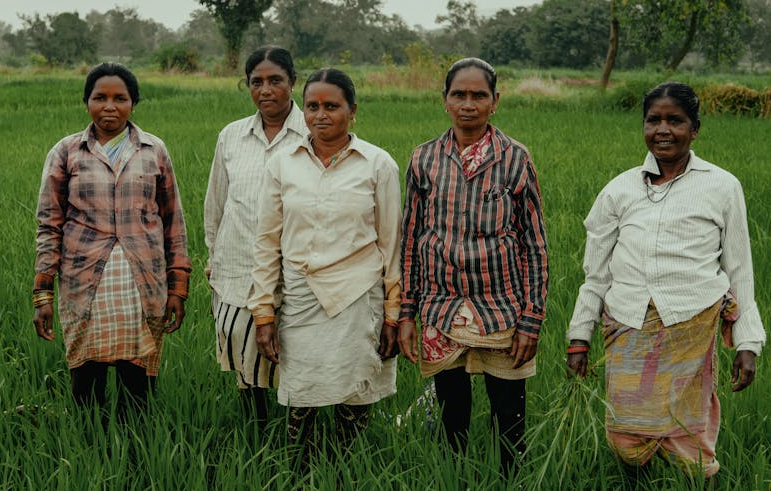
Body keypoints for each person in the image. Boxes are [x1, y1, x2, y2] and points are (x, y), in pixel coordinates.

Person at [566, 82, 765, 481]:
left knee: (688, 437)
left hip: (690, 327)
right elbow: (597, 275)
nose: (663, 130)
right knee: (625, 434)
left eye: (675, 120)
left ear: (695, 129)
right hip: (627, 325)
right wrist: (579, 337)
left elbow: (740, 271)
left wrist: (748, 343)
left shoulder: (722, 186)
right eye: (653, 120)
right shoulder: (619, 190)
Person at [398, 57, 549, 473]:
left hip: (501, 309)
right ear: (444, 100)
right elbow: (411, 240)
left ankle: (510, 480)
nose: (468, 104)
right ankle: (455, 477)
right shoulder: (424, 159)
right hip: (441, 308)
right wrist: (407, 313)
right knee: (452, 416)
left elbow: (534, 243)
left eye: (479, 95)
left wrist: (532, 319)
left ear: (494, 101)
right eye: (459, 95)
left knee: (510, 419)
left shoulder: (515, 158)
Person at [247, 68, 401, 461]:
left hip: (358, 298)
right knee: (301, 398)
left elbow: (391, 245)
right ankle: (303, 473)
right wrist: (263, 313)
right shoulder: (283, 164)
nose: (320, 115)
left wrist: (393, 315)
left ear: (353, 110)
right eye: (312, 106)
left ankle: (348, 467)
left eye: (331, 106)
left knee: (355, 396)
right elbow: (266, 243)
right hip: (300, 299)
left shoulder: (377, 164)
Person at [33, 62, 191, 422]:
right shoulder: (67, 152)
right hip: (84, 283)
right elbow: (49, 224)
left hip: (143, 284)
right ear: (86, 102)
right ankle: (90, 446)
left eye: (120, 98)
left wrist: (178, 287)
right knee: (86, 383)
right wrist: (43, 292)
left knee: (138, 385)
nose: (110, 106)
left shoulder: (154, 150)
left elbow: (174, 222)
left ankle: (135, 450)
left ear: (133, 102)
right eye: (99, 98)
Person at [204, 46, 307, 427]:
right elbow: (216, 205)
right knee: (244, 356)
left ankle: (298, 434)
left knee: (296, 356)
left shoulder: (314, 133)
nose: (266, 90)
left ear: (292, 82)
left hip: (297, 271)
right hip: (237, 268)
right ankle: (257, 430)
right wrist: (213, 256)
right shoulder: (232, 136)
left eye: (275, 80)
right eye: (256, 82)